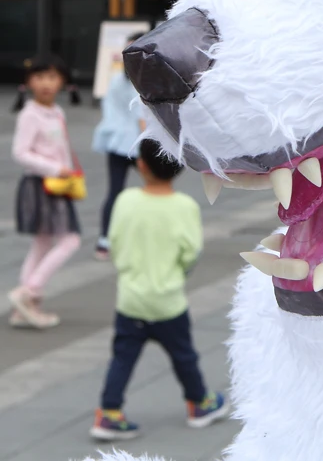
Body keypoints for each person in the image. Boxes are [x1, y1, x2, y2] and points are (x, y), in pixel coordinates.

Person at [90, 137, 228, 442]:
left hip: (131, 299)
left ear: (140, 164)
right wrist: (178, 271)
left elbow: (114, 241)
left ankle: (109, 413)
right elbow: (190, 252)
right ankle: (199, 403)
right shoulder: (185, 207)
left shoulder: (125, 200)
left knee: (122, 358)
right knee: (184, 355)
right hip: (168, 301)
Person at [8, 53, 83, 329]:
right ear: (29, 82)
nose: (46, 83)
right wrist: (55, 168)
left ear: (62, 81)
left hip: (57, 185)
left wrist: (65, 170)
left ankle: (24, 310)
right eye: (39, 77)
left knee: (42, 243)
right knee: (70, 240)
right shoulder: (30, 114)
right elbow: (20, 152)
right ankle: (29, 293)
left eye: (52, 77)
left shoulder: (56, 112)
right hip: (41, 185)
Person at [92, 36, 147, 260]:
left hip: (115, 142)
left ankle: (104, 240)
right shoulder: (140, 81)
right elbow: (141, 118)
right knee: (156, 189)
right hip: (135, 143)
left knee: (114, 190)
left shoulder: (116, 80)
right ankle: (143, 236)